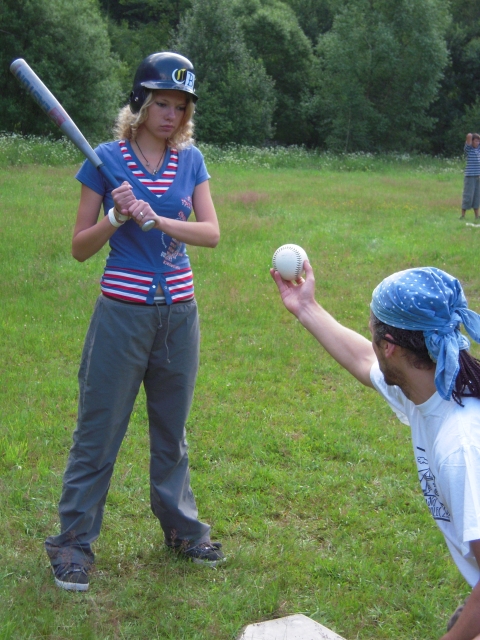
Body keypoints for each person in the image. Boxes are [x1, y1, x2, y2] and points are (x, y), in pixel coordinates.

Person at [45, 52, 224, 592]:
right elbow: (80, 247)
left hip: (179, 314)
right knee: (98, 432)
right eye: (162, 103)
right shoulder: (104, 160)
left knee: (172, 432)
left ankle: (182, 532)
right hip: (122, 315)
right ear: (140, 104)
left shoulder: (190, 161)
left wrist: (159, 218)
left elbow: (211, 233)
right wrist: (116, 216)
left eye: (181, 106)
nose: (172, 115)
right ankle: (72, 542)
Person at [271, 262, 480, 639]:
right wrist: (305, 307)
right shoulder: (437, 385)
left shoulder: (461, 446)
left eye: (372, 332)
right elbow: (364, 362)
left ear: (390, 346)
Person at [460, 133, 480, 220]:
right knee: (468, 195)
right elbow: (468, 135)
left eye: (478, 141)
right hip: (470, 176)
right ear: (472, 142)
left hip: (478, 177)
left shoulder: (479, 149)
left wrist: (478, 138)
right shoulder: (469, 149)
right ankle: (463, 216)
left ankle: (477, 216)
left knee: (477, 196)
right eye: (476, 141)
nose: (477, 143)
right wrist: (473, 137)